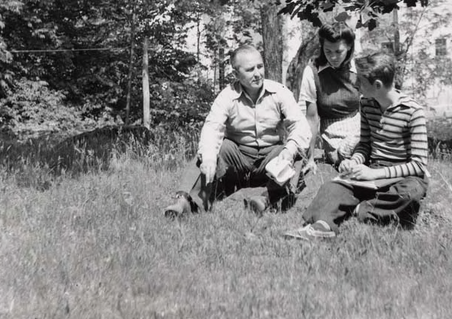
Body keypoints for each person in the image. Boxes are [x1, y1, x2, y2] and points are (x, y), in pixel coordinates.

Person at [285, 50, 429, 241]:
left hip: (404, 176)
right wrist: (354, 160)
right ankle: (322, 225)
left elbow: (419, 165)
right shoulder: (367, 104)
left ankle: (361, 209)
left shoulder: (413, 112)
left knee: (410, 193)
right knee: (331, 187)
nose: (356, 84)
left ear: (377, 85)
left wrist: (376, 174)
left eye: (360, 81)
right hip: (373, 170)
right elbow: (365, 144)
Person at [165, 44, 312, 217]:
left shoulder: (279, 92)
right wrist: (209, 159)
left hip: (271, 159)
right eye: (250, 69)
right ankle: (185, 203)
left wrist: (289, 150)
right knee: (209, 152)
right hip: (238, 157)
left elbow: (300, 125)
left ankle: (265, 200)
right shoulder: (227, 96)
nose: (257, 73)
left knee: (297, 155)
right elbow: (212, 128)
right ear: (236, 74)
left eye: (260, 66)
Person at [297, 21, 362, 168]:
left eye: (339, 52)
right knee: (350, 153)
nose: (333, 57)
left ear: (349, 47)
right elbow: (311, 118)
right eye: (328, 51)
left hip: (359, 128)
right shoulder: (313, 71)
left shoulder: (358, 68)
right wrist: (311, 158)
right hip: (333, 134)